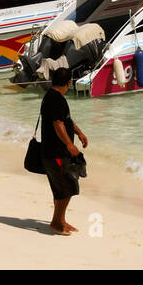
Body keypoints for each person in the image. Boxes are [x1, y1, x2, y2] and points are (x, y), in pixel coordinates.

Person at [40, 66, 88, 235]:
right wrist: (69, 144)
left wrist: (79, 132)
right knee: (66, 187)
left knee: (61, 188)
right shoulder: (56, 99)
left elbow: (66, 119)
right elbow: (58, 123)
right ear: (69, 82)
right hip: (56, 152)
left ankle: (60, 220)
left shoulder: (53, 97)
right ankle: (56, 223)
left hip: (53, 151)